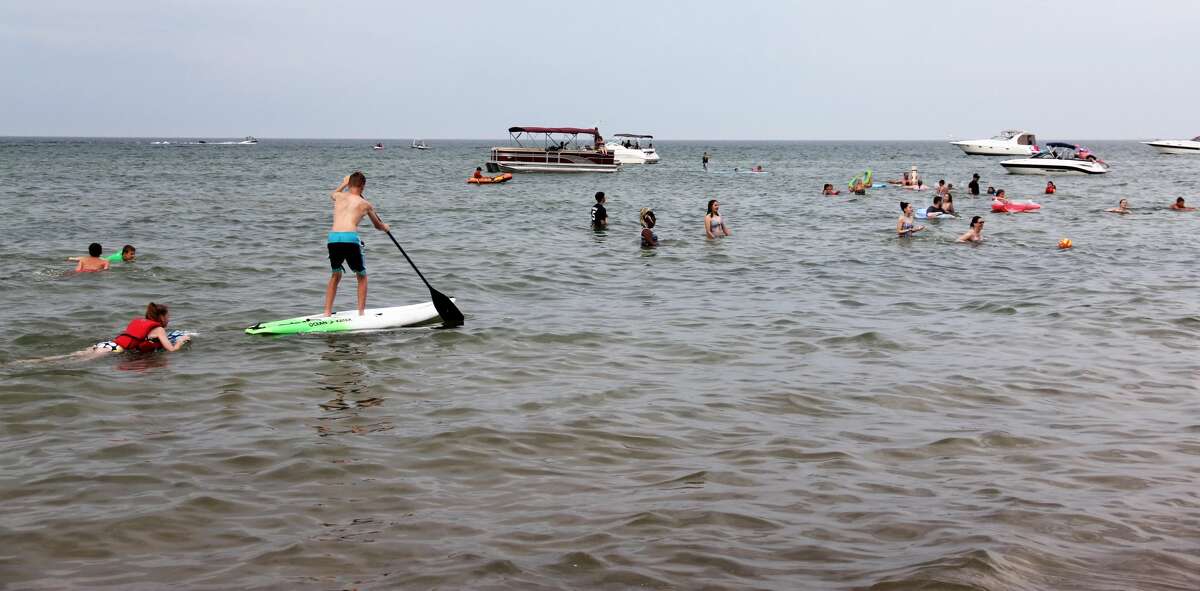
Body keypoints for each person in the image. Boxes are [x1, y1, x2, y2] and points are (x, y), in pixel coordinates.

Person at [324, 172, 390, 317]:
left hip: (333, 238)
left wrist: (343, 184)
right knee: (361, 276)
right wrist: (385, 227)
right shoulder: (365, 204)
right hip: (350, 238)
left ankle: (327, 312)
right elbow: (377, 226)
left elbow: (333, 194)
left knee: (335, 274)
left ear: (349, 184)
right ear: (363, 186)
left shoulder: (339, 197)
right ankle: (361, 314)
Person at [91, 302, 190, 354]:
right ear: (162, 317)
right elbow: (172, 350)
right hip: (114, 349)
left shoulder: (140, 322)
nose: (169, 320)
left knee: (77, 357)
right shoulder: (159, 329)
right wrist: (180, 341)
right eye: (168, 317)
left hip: (107, 344)